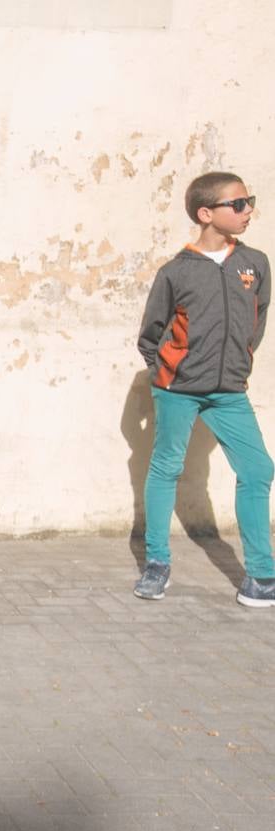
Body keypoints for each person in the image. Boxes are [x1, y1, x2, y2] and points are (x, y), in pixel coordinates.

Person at [135, 172, 275, 606]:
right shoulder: (176, 271)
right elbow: (150, 334)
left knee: (257, 470)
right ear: (206, 214)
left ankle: (262, 576)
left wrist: (238, 362)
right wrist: (172, 371)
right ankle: (157, 564)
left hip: (229, 389)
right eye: (239, 204)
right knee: (167, 468)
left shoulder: (255, 263)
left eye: (249, 201)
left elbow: (258, 319)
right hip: (177, 388)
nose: (248, 210)